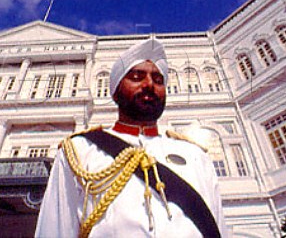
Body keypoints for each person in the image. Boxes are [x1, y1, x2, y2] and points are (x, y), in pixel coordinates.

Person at [35, 38, 226, 237]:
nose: (149, 84)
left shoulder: (195, 155)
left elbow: (218, 227)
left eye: (158, 80)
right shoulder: (80, 151)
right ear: (116, 92)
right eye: (136, 77)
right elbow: (55, 229)